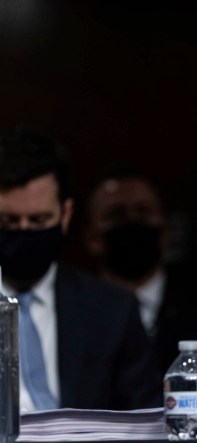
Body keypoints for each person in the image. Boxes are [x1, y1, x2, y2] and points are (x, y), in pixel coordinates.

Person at [0, 130, 161, 411]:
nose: (24, 232)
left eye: (39, 220)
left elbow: (146, 418)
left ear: (66, 215)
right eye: (9, 221)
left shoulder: (112, 310)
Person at [82, 167, 197, 373]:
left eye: (143, 212)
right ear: (92, 238)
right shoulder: (75, 310)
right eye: (116, 215)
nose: (132, 222)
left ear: (165, 232)